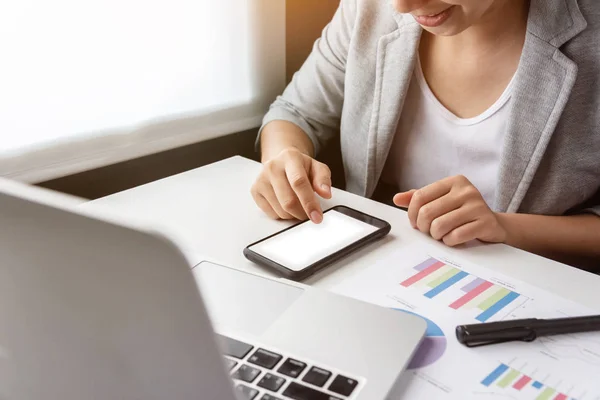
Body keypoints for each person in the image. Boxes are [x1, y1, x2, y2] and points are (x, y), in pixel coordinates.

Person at [250, 0, 600, 268]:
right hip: (377, 265)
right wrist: (284, 160)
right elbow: (295, 113)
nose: (402, 6)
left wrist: (505, 228)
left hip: (528, 288)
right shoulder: (371, 7)